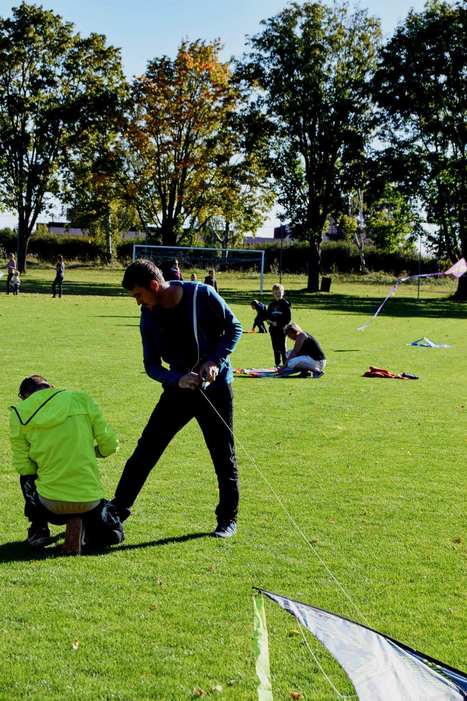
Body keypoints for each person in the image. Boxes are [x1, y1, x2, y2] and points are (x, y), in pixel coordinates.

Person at [112, 259, 242, 538]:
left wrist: (215, 361)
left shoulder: (201, 295)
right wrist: (176, 380)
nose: (138, 302)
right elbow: (151, 365)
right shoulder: (148, 316)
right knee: (145, 451)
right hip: (178, 390)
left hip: (216, 389)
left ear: (154, 286)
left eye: (139, 295)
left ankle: (227, 519)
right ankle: (116, 512)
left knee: (223, 455)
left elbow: (235, 328)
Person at [9, 374, 124, 549]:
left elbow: (24, 466)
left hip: (49, 505)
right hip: (89, 502)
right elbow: (110, 446)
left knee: (26, 477)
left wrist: (44, 464)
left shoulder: (19, 413)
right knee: (109, 523)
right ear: (51, 387)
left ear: (25, 396)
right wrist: (92, 452)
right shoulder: (81, 399)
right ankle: (102, 528)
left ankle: (39, 528)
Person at [267, 283, 291, 366]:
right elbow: (268, 316)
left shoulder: (285, 304)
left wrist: (279, 323)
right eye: (276, 293)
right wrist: (270, 321)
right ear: (273, 293)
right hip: (273, 330)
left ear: (283, 293)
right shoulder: (271, 305)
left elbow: (288, 318)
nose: (278, 294)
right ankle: (277, 364)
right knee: (275, 348)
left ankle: (285, 365)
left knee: (283, 347)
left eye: (280, 292)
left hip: (282, 329)